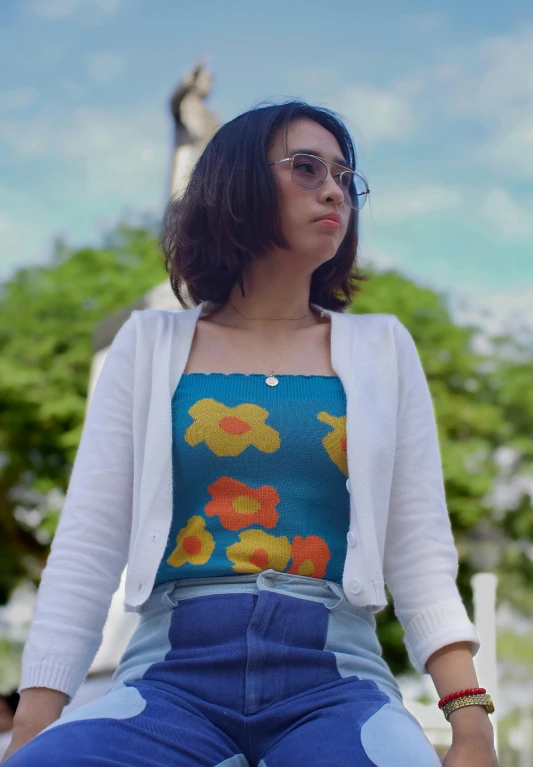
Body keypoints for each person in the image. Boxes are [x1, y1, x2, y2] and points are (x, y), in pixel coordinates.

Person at [2, 101, 498, 766]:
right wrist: (35, 722)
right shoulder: (147, 343)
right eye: (305, 167)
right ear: (234, 184)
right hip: (167, 682)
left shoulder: (382, 346)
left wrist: (469, 723)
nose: (333, 188)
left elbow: (418, 551)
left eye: (344, 176)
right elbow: (88, 541)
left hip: (335, 686)